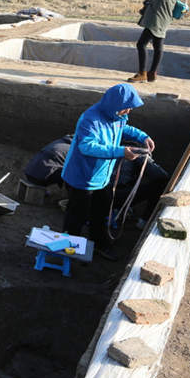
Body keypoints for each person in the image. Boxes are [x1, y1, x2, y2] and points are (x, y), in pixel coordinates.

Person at [61, 83, 154, 261]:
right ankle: (68, 249)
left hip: (102, 176)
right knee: (77, 216)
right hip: (82, 177)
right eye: (126, 107)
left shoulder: (116, 115)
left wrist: (142, 136)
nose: (128, 111)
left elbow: (122, 128)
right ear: (115, 104)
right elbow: (87, 147)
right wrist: (120, 152)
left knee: (101, 212)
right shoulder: (90, 119)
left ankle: (100, 244)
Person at [25, 134, 168, 228]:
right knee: (160, 184)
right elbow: (160, 175)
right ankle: (143, 221)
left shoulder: (107, 149)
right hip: (111, 195)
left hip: (96, 190)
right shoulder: (139, 154)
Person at [128, 0, 190, 83]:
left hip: (159, 17)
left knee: (141, 44)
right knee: (158, 45)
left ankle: (142, 73)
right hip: (161, 15)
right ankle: (152, 74)